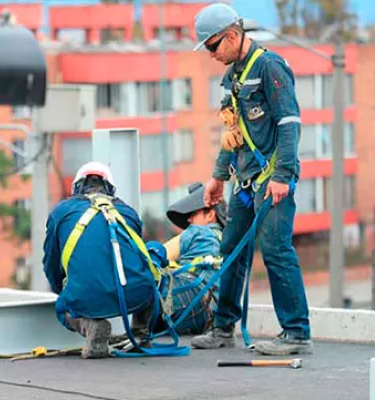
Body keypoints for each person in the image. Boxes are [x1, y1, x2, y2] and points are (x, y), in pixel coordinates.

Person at [189, 3, 313, 356]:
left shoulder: (269, 67)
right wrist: (217, 178)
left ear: (231, 36)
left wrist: (283, 176)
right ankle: (223, 326)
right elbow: (234, 131)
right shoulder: (234, 76)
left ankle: (297, 333)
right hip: (244, 182)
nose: (211, 55)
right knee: (232, 249)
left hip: (272, 179)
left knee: (276, 249)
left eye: (212, 46)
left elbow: (290, 124)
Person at [42, 161, 161, 359]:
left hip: (85, 296)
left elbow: (52, 263)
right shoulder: (128, 212)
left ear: (77, 188)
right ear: (111, 189)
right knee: (150, 272)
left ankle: (92, 326)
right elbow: (138, 259)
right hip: (137, 294)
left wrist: (65, 292)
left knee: (63, 307)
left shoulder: (61, 212)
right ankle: (141, 333)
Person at [161, 182, 227, 334]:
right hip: (210, 318)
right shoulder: (226, 242)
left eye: (193, 214)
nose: (189, 220)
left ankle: (139, 330)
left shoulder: (197, 232)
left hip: (188, 303)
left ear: (210, 215)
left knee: (147, 277)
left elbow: (159, 254)